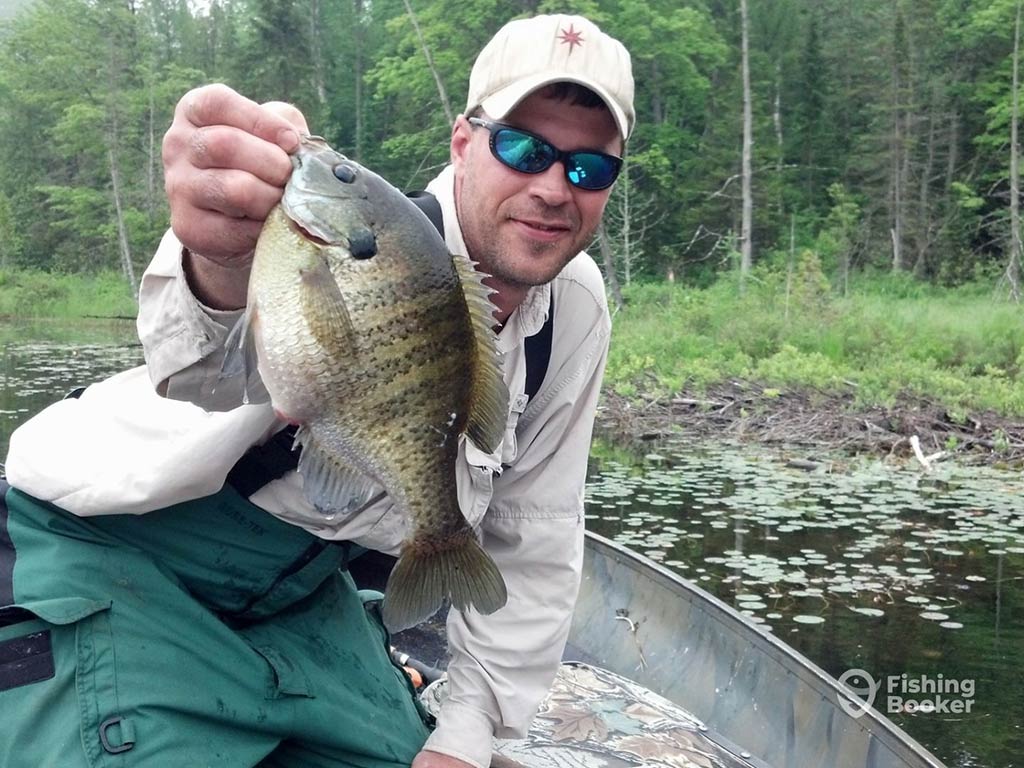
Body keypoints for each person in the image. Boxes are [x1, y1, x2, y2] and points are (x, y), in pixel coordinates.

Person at [0, 13, 635, 768]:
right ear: (464, 142)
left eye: (590, 169)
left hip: (294, 593)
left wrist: (466, 739)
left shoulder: (572, 307)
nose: (554, 188)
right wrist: (217, 256)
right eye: (524, 148)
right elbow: (202, 370)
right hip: (112, 544)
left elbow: (537, 530)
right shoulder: (356, 241)